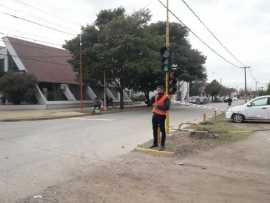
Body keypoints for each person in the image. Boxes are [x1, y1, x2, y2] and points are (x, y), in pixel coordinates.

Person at [150, 86, 170, 151]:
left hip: (161, 116)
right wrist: (152, 101)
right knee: (154, 129)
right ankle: (155, 143)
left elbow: (167, 107)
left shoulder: (166, 97)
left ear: (162, 90)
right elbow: (151, 102)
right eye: (157, 90)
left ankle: (162, 145)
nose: (158, 91)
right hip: (155, 115)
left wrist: (158, 106)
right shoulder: (155, 96)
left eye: (159, 90)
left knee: (162, 130)